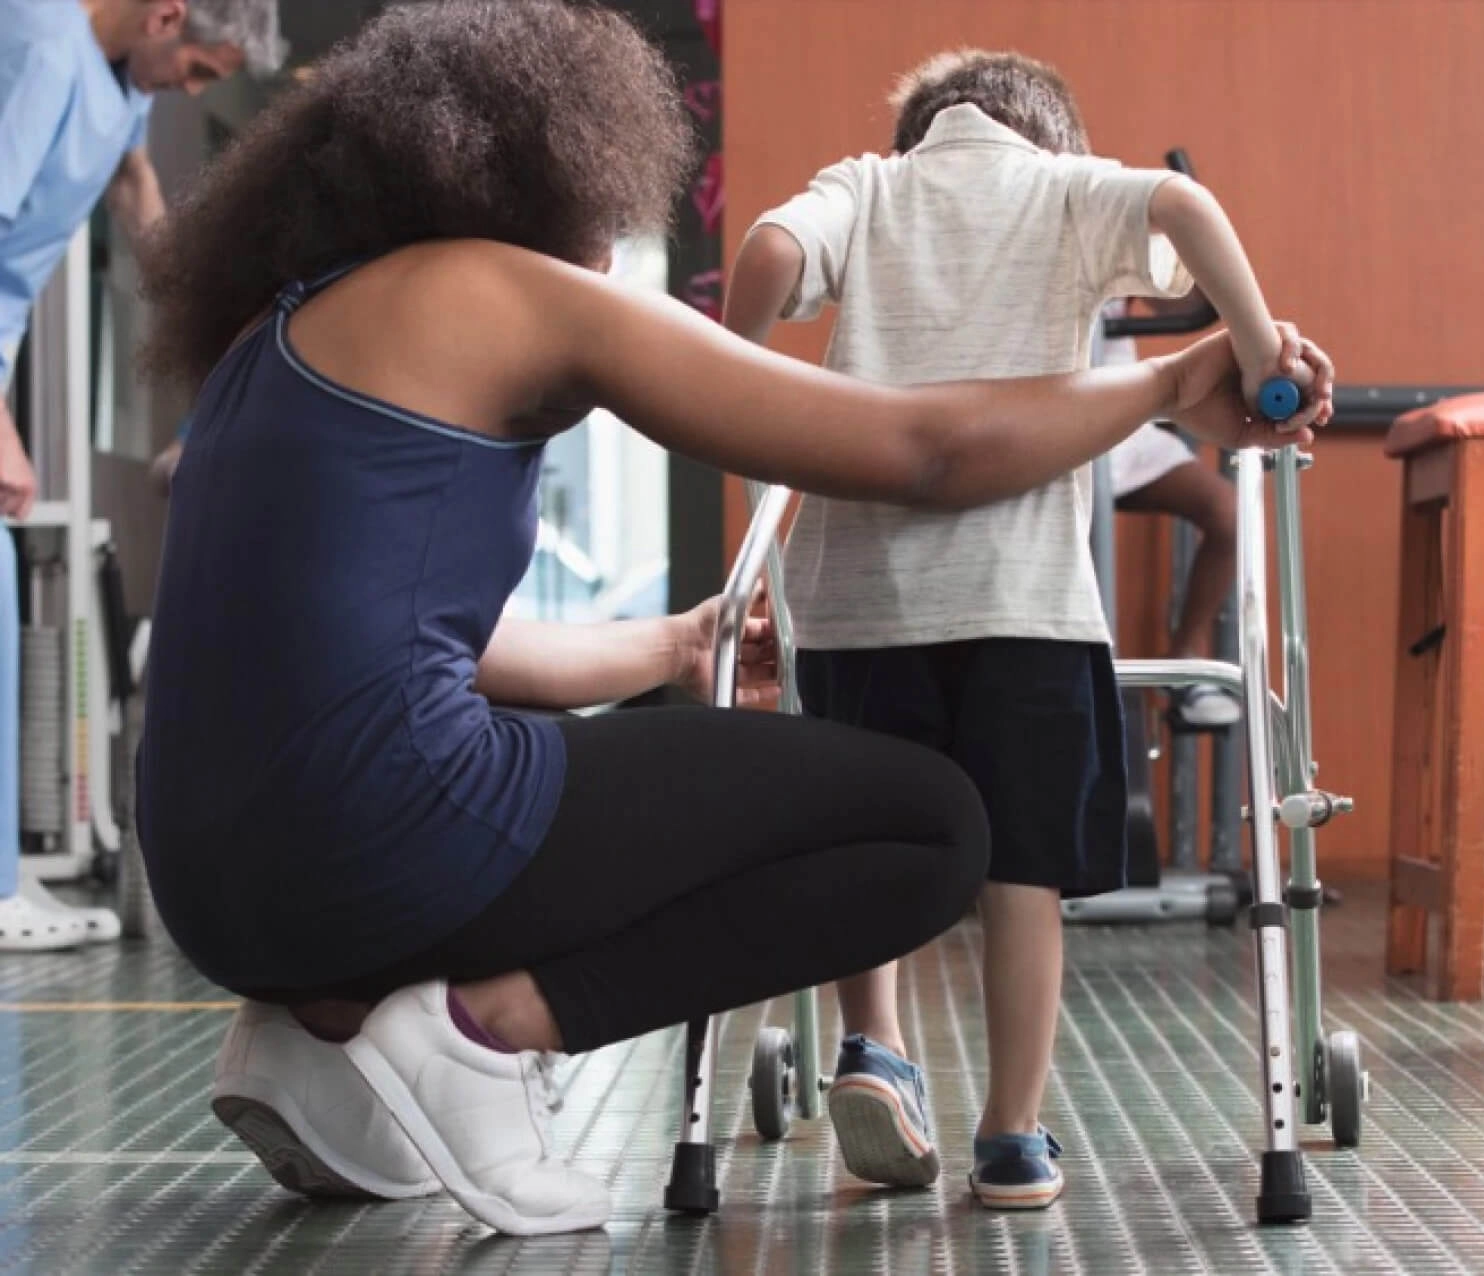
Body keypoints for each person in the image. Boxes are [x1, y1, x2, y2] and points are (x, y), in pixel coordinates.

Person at [135, 1, 1331, 1238]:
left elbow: (443, 651)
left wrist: (674, 644)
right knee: (931, 826)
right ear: (549, 166)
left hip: (217, 893)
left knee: (566, 762)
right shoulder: (495, 292)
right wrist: (1176, 380)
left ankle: (316, 1028)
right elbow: (925, 449)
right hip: (386, 836)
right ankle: (486, 1037)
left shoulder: (272, 346)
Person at [723, 49, 1325, 1210]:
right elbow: (1185, 204)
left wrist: (742, 386)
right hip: (1024, 601)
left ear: (920, 131)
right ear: (1048, 131)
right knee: (1023, 870)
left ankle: (876, 1050)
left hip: (856, 597)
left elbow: (766, 250)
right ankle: (1011, 1133)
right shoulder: (1061, 186)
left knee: (870, 843)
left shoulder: (871, 185)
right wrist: (1255, 346)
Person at [0, 0, 285, 951]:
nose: (190, 89)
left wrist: (203, 307)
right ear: (167, 13)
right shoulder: (42, 43)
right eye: (199, 70)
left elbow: (129, 178)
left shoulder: (117, 79)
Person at [1098, 295, 1242, 728]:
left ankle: (1185, 659)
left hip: (1123, 422)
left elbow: (1187, 297)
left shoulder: (1115, 237)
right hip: (1055, 420)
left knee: (1228, 516)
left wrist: (1161, 239)